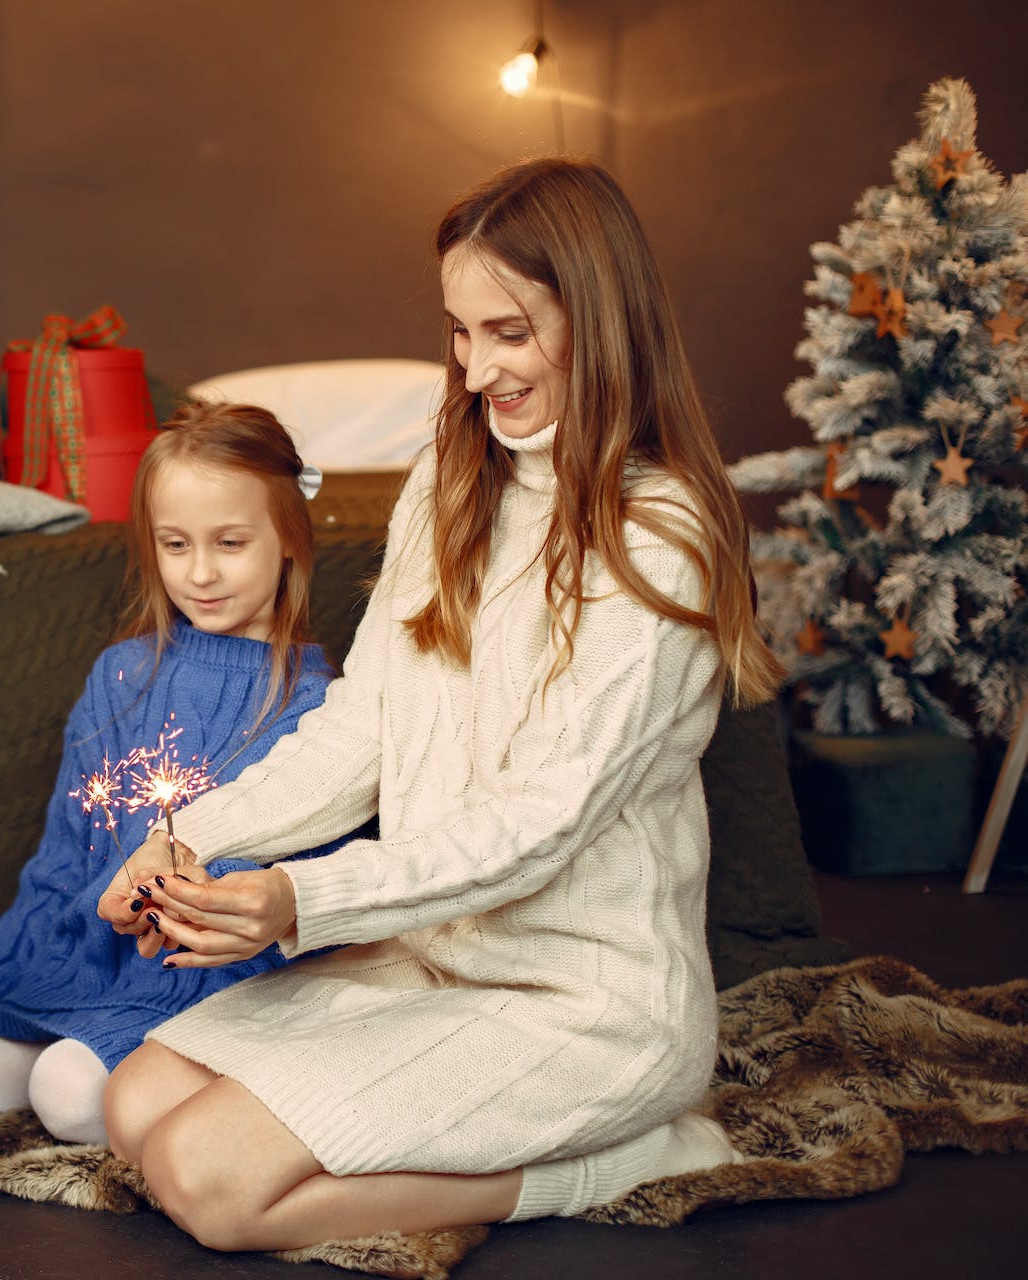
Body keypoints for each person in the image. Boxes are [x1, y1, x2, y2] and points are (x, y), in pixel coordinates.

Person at [94, 157, 785, 1251]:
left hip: (587, 1004)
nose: (474, 372)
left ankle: (627, 1152)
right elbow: (366, 721)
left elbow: (536, 827)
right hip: (431, 956)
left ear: (598, 321)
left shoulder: (664, 535)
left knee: (208, 1181)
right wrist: (188, 837)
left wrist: (297, 901)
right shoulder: (453, 479)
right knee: (130, 1104)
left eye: (508, 332)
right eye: (461, 334)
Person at [0, 400, 343, 1145]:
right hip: (87, 960)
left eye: (230, 542)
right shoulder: (120, 675)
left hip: (208, 984)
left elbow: (287, 892)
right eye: (174, 543)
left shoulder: (318, 706)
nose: (200, 572)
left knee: (65, 1095)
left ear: (289, 537)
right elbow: (66, 854)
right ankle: (73, 1042)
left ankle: (132, 1077)